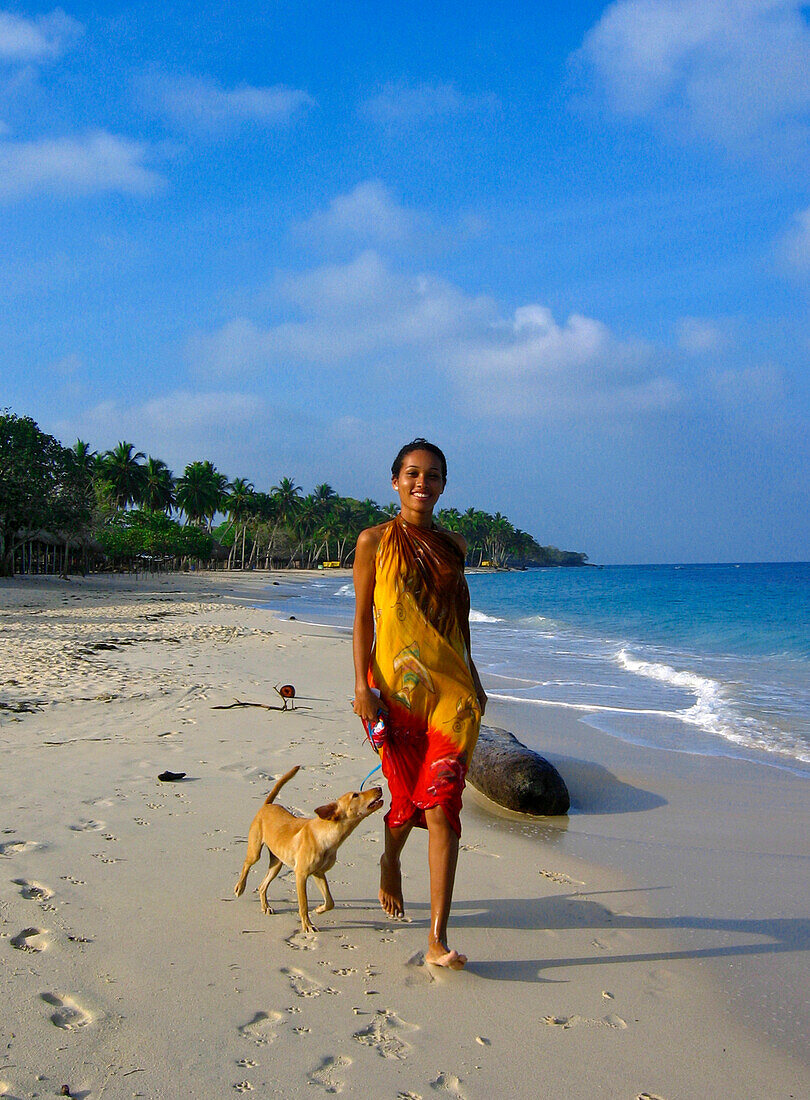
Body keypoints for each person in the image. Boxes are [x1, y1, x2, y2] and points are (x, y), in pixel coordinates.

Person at [352, 438, 487, 968]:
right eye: (412, 474)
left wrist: (474, 676)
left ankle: (436, 938)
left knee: (443, 806)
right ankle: (390, 860)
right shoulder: (373, 542)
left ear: (444, 485)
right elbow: (363, 618)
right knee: (406, 802)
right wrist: (362, 688)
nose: (421, 484)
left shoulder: (453, 545)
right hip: (395, 693)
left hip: (452, 695)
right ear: (394, 480)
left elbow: (461, 619)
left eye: (433, 476)